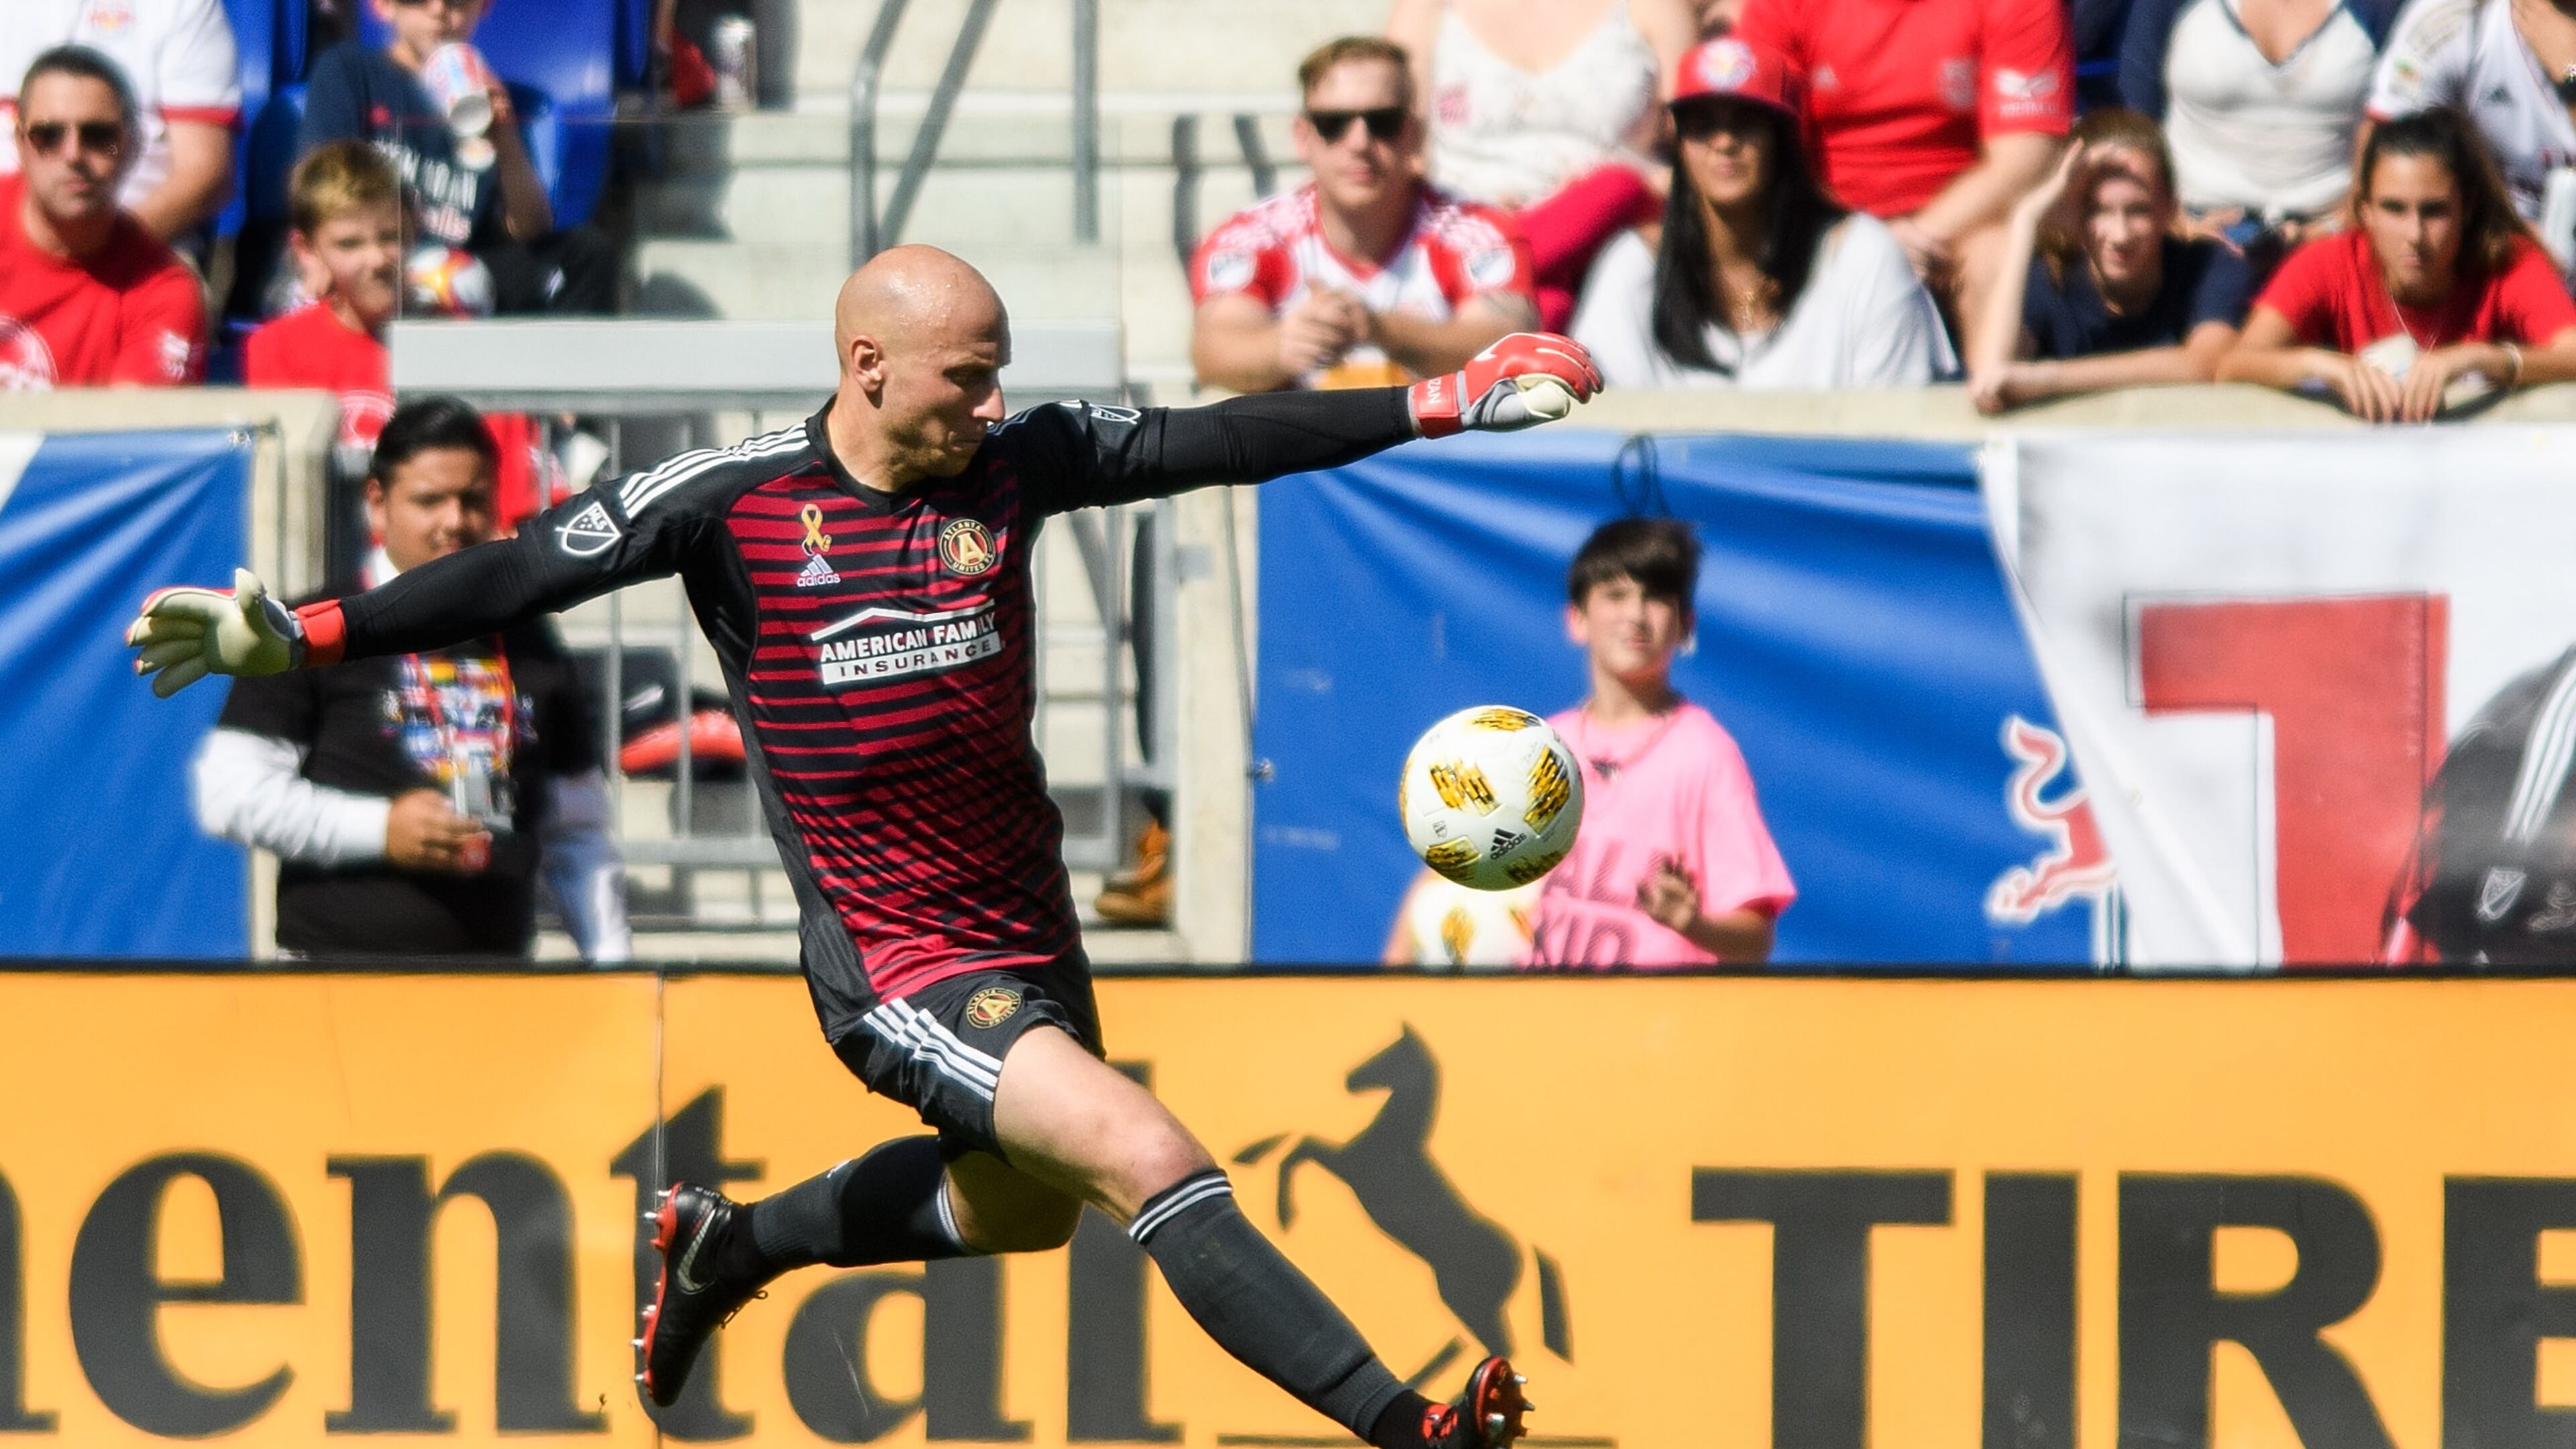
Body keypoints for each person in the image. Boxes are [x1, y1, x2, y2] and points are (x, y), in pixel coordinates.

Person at [128, 245, 1604, 1449]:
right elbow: (520, 565)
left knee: (1027, 1213)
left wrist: (1443, 400)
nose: (997, 398)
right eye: (972, 375)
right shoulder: (732, 503)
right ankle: (1408, 1426)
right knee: (1144, 1151)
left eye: (1001, 371)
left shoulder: (1017, 467)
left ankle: (733, 1246)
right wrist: (312, 625)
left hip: (1028, 935)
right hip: (897, 963)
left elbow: (1216, 441)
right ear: (867, 367)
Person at [189, 397, 629, 960]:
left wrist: (616, 967)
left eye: (472, 500)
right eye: (429, 501)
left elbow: (578, 835)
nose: (455, 521)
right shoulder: (310, 631)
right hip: (333, 983)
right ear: (377, 504)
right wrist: (380, 829)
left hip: (496, 988)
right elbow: (228, 795)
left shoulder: (533, 644)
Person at [1567, 36, 1955, 388]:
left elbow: (1895, 437)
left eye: (1746, 124)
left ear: (1783, 140)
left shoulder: (1863, 258)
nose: (1724, 142)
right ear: (1680, 144)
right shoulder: (1633, 267)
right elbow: (1598, 426)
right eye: (1702, 126)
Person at [1191, 36, 1539, 393]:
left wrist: (1378, 329)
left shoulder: (1477, 231)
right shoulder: (1255, 235)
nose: (1359, 143)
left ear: (1414, 135)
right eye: (1333, 123)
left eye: (1383, 122)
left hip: (1440, 447)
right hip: (1303, 448)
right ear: (1302, 136)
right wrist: (1281, 347)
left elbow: (1510, 348)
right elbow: (1211, 354)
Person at [1522, 518, 1792, 968]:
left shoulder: (1704, 754)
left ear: (1686, 626)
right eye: (1616, 595)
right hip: (1531, 1023)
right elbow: (1450, 891)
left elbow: (1756, 940)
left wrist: (1694, 923)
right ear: (1576, 619)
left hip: (1654, 1030)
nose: (1636, 615)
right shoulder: (1541, 747)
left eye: (1656, 598)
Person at [1731, 0, 2074, 333]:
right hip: (1824, 224)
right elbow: (1766, 150)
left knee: (1992, 254)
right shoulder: (1781, 5)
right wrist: (1860, 244)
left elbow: (2024, 161)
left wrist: (1902, 246)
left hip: (1958, 231)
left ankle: (1992, 386)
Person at [2216, 106, 2576, 422]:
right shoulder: (2327, 263)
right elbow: (2234, 366)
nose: (2415, 234)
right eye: (2394, 209)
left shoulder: (2506, 260)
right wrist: (2329, 368)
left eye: (2433, 211)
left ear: (2467, 208)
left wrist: (2483, 360)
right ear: (2364, 211)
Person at [1386, 0, 1702, 331]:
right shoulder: (1425, 11)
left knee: (1615, 186)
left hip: (1609, 233)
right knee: (1549, 302)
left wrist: (1598, 199)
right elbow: (1401, 156)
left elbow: (1698, 156)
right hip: (1464, 229)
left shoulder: (1657, 9)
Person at [299, 0, 619, 314]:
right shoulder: (350, 70)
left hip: (461, 264)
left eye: (457, 2)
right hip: (374, 256)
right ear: (383, 5)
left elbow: (531, 229)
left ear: (483, 5)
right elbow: (321, 187)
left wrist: (504, 135)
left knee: (589, 252)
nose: (438, 11)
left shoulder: (496, 99)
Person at [1966, 108, 2252, 413]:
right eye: (2098, 211)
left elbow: (2208, 364)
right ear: (2072, 211)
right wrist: (2026, 220)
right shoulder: (2049, 278)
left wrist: (2049, 378)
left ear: (2170, 207)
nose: (2120, 236)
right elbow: (1989, 378)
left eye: (2139, 211)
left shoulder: (2208, 265)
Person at [2118, 0, 2402, 269]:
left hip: (2334, 243)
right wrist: (2176, 224)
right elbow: (2134, 124)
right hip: (2191, 247)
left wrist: (2343, 223)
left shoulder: (2377, 8)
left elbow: (2403, 129)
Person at [0, 46, 205, 390]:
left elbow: (128, 434)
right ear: (20, 142)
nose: (73, 154)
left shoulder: (163, 292)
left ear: (133, 146)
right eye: (48, 135)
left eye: (99, 137)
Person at [0, 0, 239, 244]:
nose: (72, 155)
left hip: (144, 250)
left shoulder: (182, 6)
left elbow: (206, 172)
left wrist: (108, 255)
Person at [2365, 0, 2576, 272]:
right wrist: (2511, 233)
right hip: (2497, 252)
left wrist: (2572, 72)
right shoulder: (2459, 18)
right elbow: (2383, 159)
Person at [244, 140, 404, 456]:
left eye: (390, 237)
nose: (376, 259)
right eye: (349, 244)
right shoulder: (278, 348)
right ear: (308, 251)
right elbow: (282, 475)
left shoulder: (454, 344)